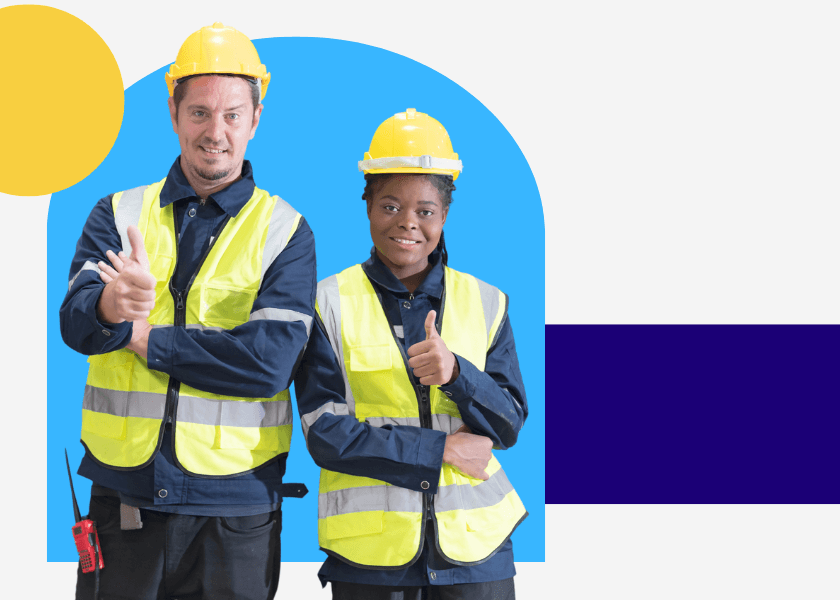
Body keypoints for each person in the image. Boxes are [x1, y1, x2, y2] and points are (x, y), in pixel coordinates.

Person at [59, 22, 316, 600]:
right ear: (174, 114)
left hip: (235, 514)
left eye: (231, 114)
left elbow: (267, 366)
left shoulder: (286, 233)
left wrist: (142, 337)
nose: (215, 132)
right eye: (199, 113)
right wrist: (108, 304)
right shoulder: (117, 212)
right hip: (124, 503)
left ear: (255, 119)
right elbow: (75, 325)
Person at [294, 109, 528, 600]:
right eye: (390, 206)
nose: (407, 223)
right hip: (372, 561)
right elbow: (325, 434)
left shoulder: (486, 301)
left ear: (444, 216)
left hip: (476, 556)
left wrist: (457, 374)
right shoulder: (326, 302)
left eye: (425, 211)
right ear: (367, 207)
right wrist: (438, 450)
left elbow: (508, 424)